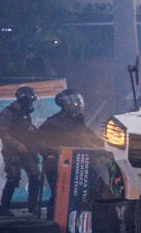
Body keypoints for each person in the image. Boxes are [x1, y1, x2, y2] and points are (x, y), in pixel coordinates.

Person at [35, 90, 104, 220]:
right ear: (65, 104)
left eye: (78, 102)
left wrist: (106, 145)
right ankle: (52, 224)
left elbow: (92, 138)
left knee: (82, 195)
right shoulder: (53, 123)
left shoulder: (78, 123)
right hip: (57, 165)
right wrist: (51, 153)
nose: (77, 105)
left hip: (78, 166)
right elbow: (38, 142)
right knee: (58, 195)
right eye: (74, 102)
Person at [0, 86, 42, 217]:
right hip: (12, 151)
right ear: (25, 100)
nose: (32, 103)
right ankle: (3, 208)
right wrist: (18, 145)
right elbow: (2, 133)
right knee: (13, 178)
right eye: (31, 101)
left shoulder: (25, 114)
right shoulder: (8, 112)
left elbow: (28, 130)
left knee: (35, 176)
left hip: (27, 149)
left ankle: (33, 207)